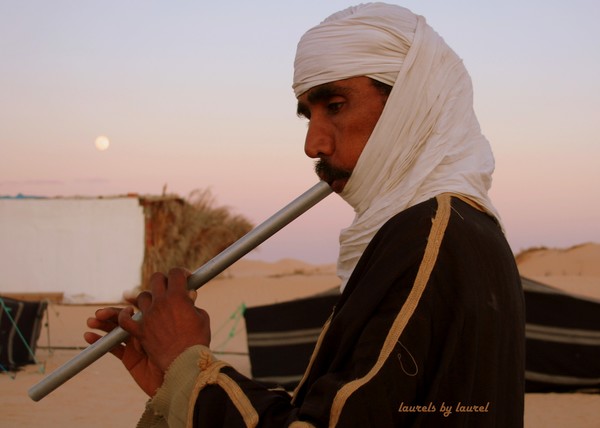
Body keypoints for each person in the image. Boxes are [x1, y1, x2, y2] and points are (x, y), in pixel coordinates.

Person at [85, 3, 525, 427]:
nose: (313, 145)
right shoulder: (461, 230)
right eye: (307, 115)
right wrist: (174, 381)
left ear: (414, 103)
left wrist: (190, 363)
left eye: (334, 105)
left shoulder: (430, 239)